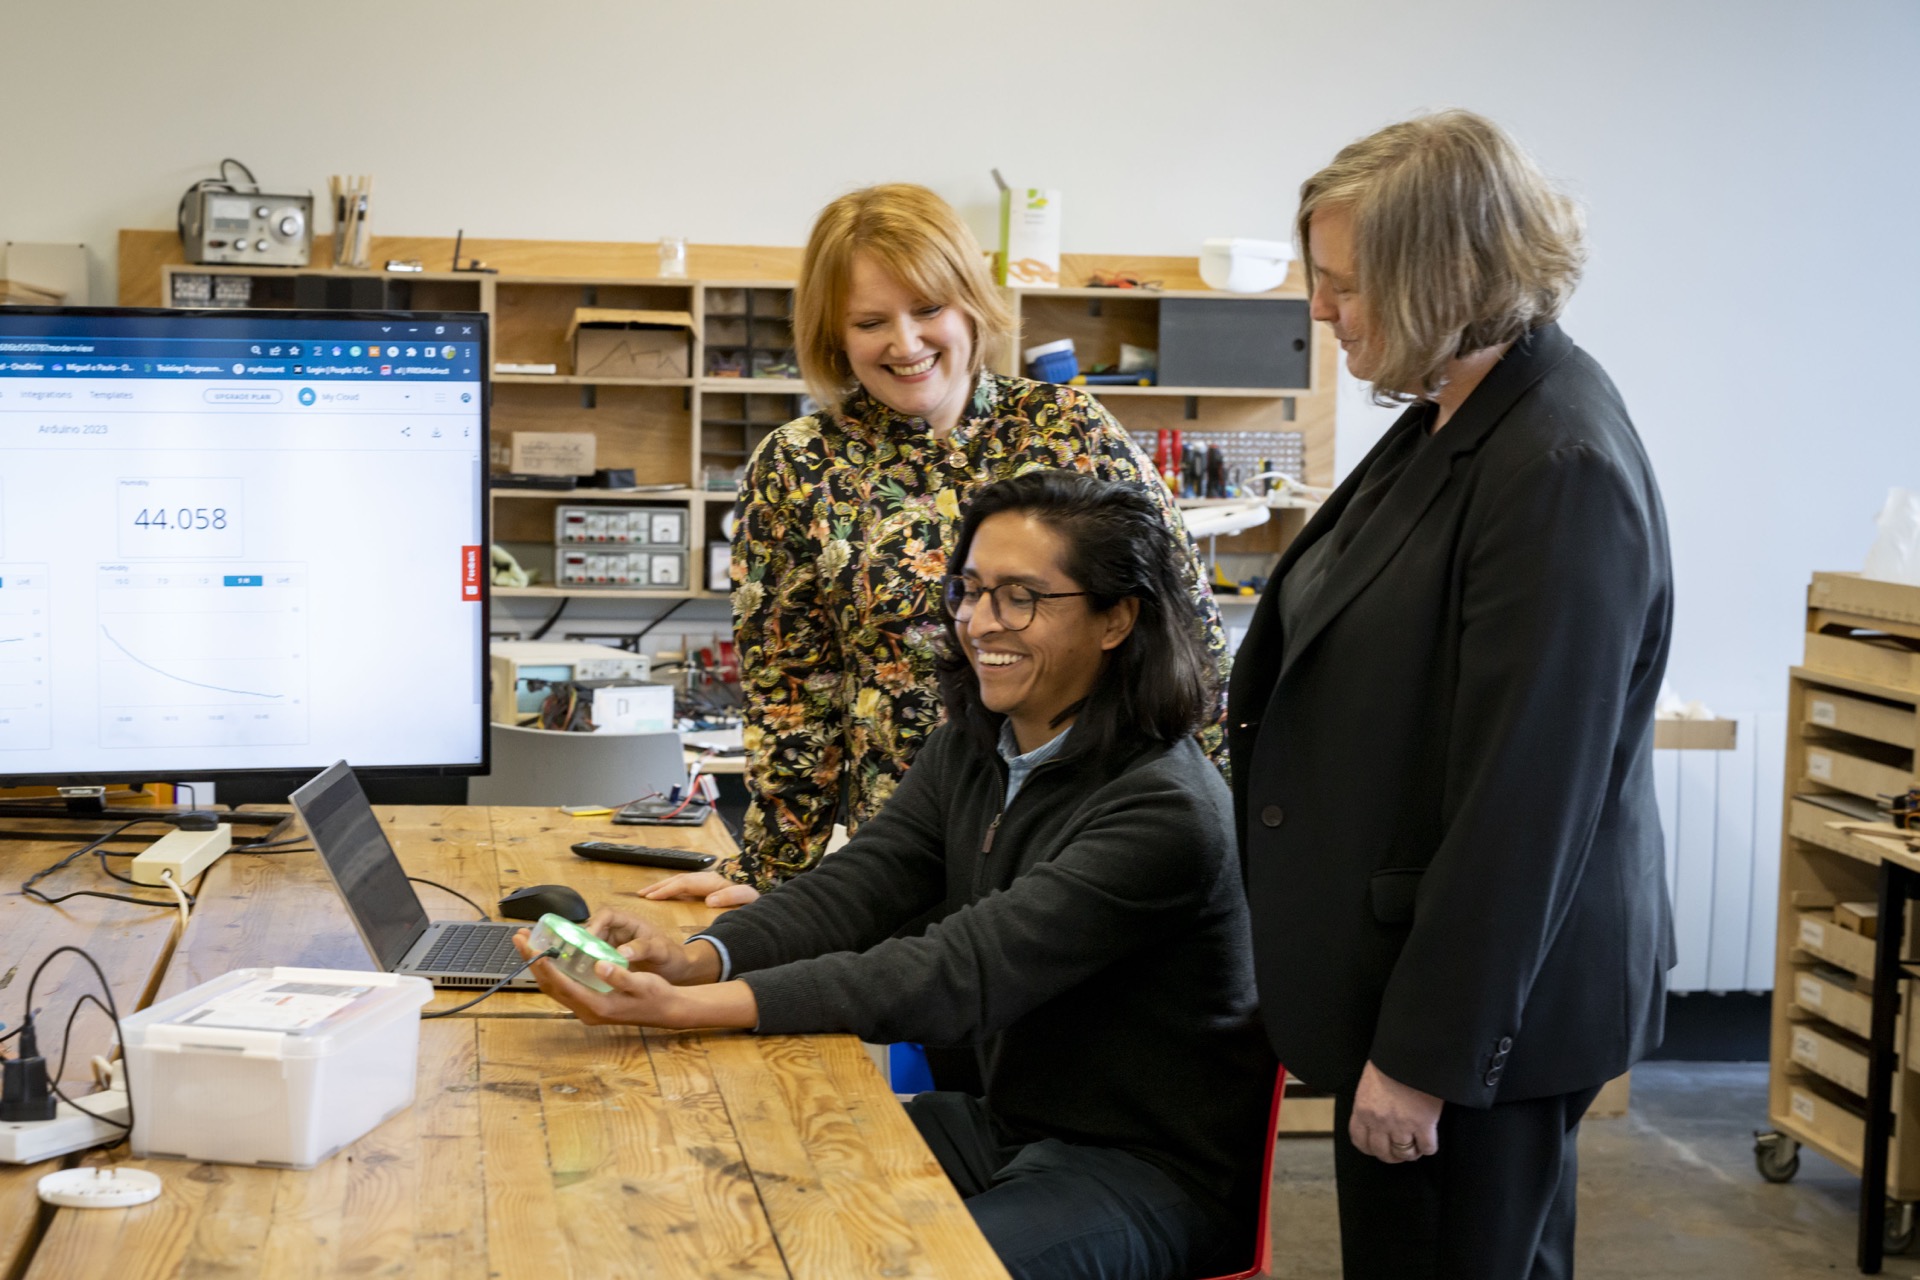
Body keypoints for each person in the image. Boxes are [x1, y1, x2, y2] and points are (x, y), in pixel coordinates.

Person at [518, 470, 1276, 1280]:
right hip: (1004, 1124)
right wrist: (696, 955)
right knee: (712, 1188)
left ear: (1117, 618)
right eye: (972, 590)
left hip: (1144, 1172)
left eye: (1021, 597)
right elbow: (863, 885)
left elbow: (961, 973)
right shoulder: (978, 744)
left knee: (888, 1266)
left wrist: (687, 1008)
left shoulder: (1165, 810)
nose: (981, 622)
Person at [1227, 111, 1674, 1277]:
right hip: (1413, 978)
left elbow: (1526, 798)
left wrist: (1427, 1054)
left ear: (1442, 275)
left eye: (1342, 284)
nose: (1322, 311)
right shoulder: (1452, 409)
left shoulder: (1557, 464)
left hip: (1480, 1023)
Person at [664, 184, 1225, 903]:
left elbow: (1192, 639)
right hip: (904, 868)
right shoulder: (798, 465)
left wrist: (1225, 844)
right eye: (871, 321)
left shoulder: (1070, 430)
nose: (905, 344)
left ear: (969, 302)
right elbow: (791, 694)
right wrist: (778, 874)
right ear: (834, 334)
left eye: (928, 309)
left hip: (1085, 855)